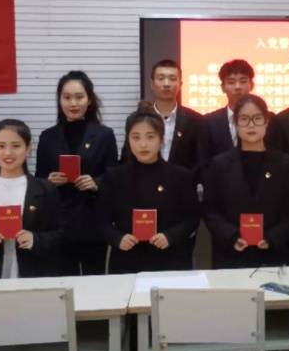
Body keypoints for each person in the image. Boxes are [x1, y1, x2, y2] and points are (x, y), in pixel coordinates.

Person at [35, 71, 118, 276]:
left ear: (89, 100)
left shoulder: (104, 135)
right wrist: (49, 181)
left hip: (93, 222)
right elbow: (38, 179)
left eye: (79, 97)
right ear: (59, 100)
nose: (73, 103)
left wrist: (96, 182)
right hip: (59, 224)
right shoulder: (47, 137)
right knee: (63, 284)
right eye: (67, 97)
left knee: (95, 283)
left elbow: (114, 176)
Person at [202, 94, 289, 269]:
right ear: (236, 123)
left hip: (273, 256)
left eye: (257, 118)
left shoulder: (285, 163)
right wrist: (231, 237)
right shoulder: (219, 164)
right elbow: (210, 210)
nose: (251, 125)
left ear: (266, 122)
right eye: (244, 119)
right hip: (231, 256)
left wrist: (273, 238)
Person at [0, 120, 65, 279]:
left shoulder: (45, 189)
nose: (8, 153)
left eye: (16, 146)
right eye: (1, 146)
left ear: (28, 148)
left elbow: (61, 233)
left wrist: (34, 240)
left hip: (35, 275)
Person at [100, 110, 201, 274]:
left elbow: (192, 219)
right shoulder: (114, 176)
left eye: (150, 137)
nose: (143, 145)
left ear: (161, 139)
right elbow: (100, 220)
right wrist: (117, 238)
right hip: (127, 261)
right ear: (128, 139)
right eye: (136, 137)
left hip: (170, 259)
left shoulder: (180, 176)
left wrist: (170, 236)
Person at [121, 60, 207, 174]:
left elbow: (200, 161)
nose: (166, 84)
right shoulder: (138, 119)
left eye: (172, 79)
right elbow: (127, 158)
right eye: (161, 78)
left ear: (180, 84)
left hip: (182, 182)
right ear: (152, 84)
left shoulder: (195, 119)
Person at [202, 59, 279, 162]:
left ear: (251, 85)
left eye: (243, 81)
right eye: (231, 82)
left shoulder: (270, 118)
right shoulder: (209, 122)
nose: (237, 87)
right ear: (222, 88)